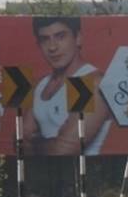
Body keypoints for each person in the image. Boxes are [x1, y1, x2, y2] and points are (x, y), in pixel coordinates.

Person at [23, 16, 113, 155]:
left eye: (60, 36)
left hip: (82, 173)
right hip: (44, 173)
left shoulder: (89, 82)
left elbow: (65, 150)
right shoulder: (41, 85)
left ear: (78, 38)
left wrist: (35, 144)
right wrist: (50, 144)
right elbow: (20, 142)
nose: (52, 47)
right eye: (45, 39)